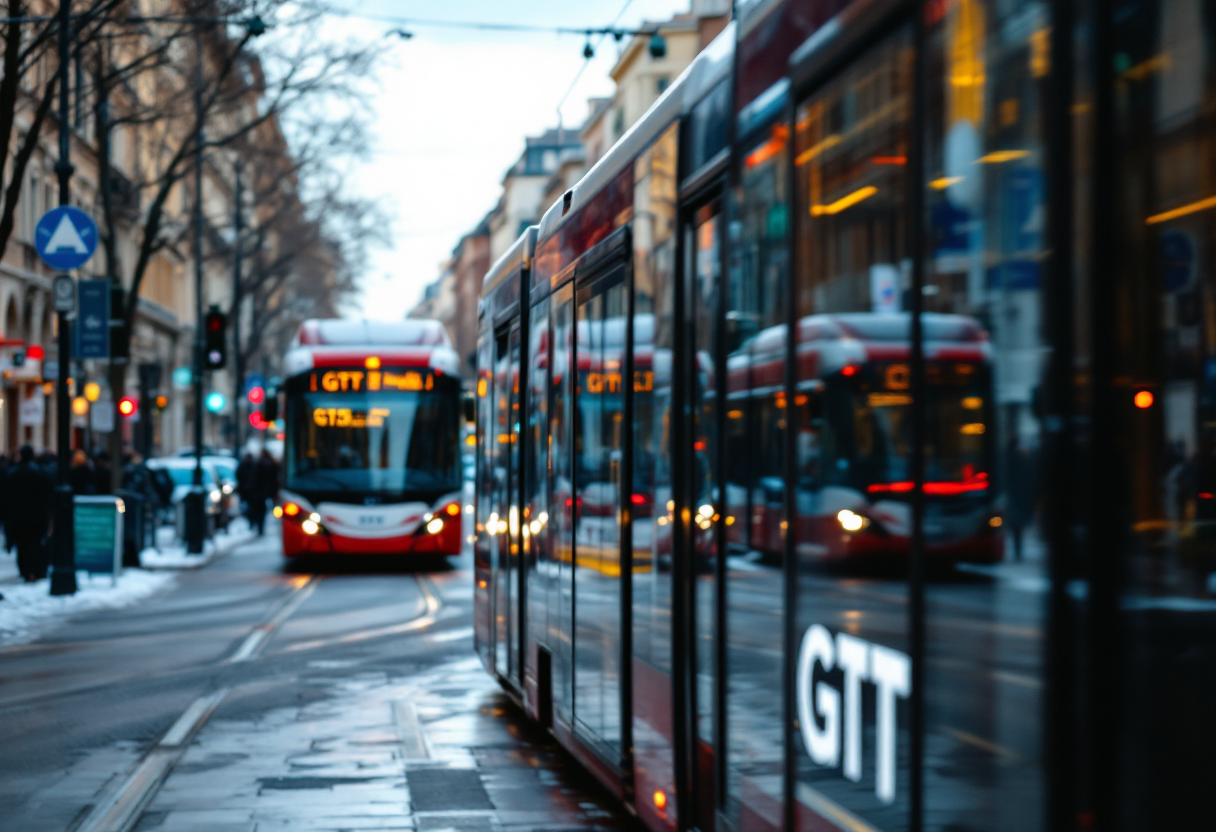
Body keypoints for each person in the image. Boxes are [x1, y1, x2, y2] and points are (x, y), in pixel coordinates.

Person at [2, 445, 54, 581]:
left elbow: (6, 498)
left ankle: (26, 570)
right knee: (35, 544)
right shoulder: (39, 473)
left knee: (23, 545)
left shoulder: (12, 473)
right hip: (36, 517)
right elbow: (46, 497)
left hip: (18, 517)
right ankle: (35, 570)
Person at [250, 449, 279, 536]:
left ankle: (259, 526)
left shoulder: (259, 464)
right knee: (262, 509)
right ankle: (261, 526)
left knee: (258, 509)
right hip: (264, 491)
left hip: (258, 491)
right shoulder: (270, 464)